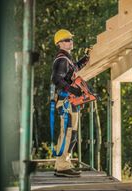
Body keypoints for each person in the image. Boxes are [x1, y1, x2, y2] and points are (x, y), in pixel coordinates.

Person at [51, 29, 89, 177]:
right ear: (59, 43)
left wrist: (85, 59)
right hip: (66, 101)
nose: (70, 42)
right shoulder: (61, 59)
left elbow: (74, 69)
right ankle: (62, 167)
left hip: (68, 101)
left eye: (71, 39)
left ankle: (61, 164)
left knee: (67, 133)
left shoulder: (66, 59)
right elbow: (57, 79)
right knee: (68, 134)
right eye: (66, 40)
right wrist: (73, 90)